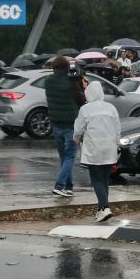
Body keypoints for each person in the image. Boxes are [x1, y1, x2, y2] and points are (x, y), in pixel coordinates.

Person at [74, 81, 121, 222]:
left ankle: (105, 207)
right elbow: (117, 129)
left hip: (94, 148)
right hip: (110, 148)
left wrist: (76, 138)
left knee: (96, 179)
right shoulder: (111, 108)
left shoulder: (85, 109)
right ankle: (101, 209)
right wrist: (117, 144)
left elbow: (78, 129)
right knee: (105, 179)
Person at [46, 56, 85, 197]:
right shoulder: (72, 81)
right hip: (71, 124)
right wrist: (77, 79)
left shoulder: (48, 81)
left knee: (64, 157)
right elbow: (81, 99)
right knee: (70, 156)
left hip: (56, 123)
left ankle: (68, 187)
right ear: (66, 67)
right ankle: (59, 185)